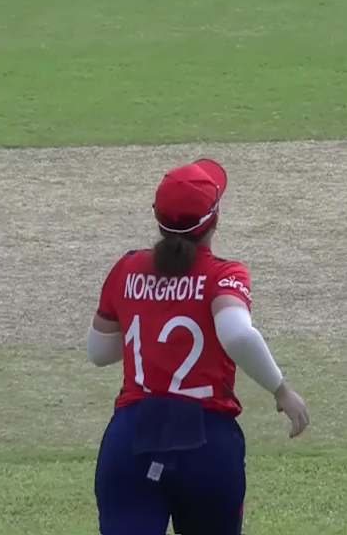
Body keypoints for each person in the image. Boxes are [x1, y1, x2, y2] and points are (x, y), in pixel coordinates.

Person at [87, 159, 309, 535]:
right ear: (215, 218)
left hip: (131, 436)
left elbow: (99, 352)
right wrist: (281, 390)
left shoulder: (126, 269)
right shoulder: (223, 274)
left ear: (157, 218)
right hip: (206, 441)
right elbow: (237, 334)